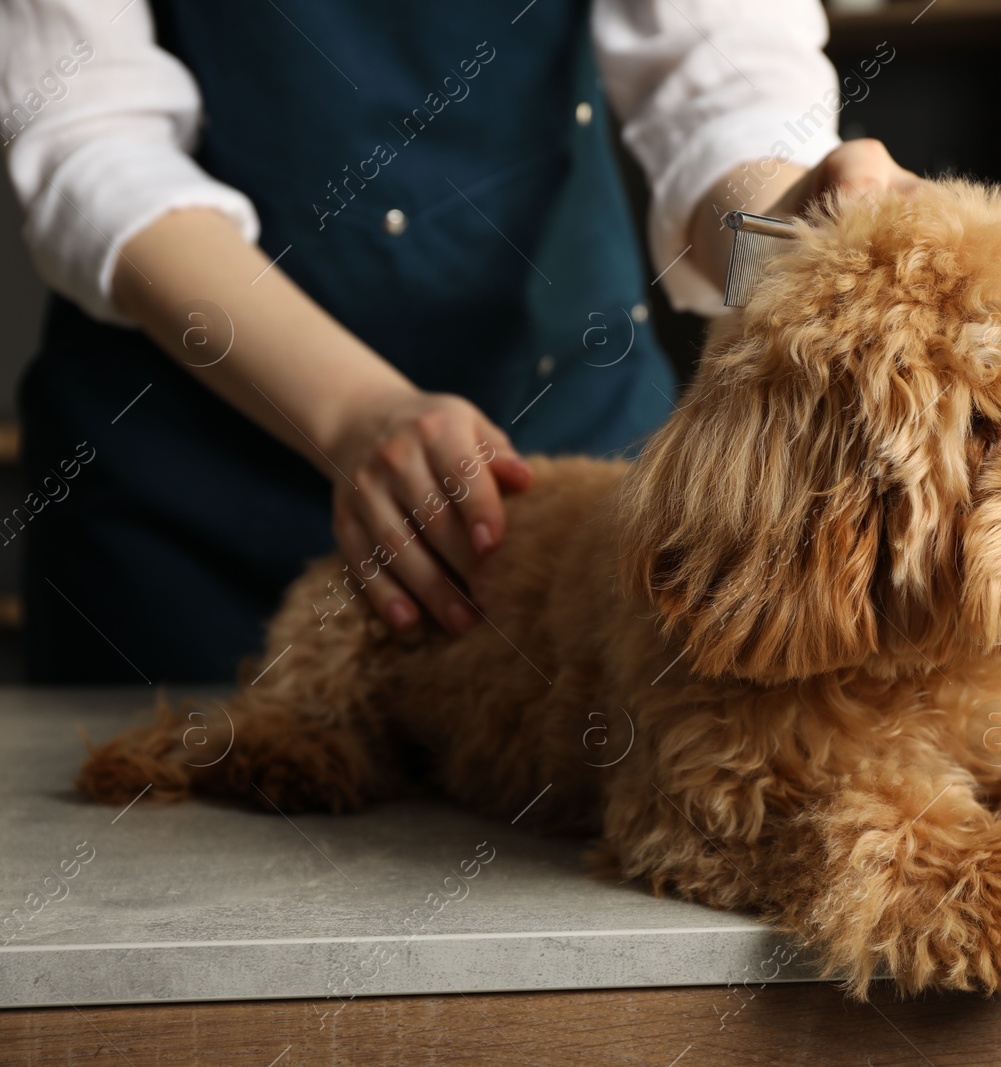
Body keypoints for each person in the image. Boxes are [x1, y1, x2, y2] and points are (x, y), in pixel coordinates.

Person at [1, 0, 919, 683]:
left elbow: (718, 73)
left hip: (565, 462)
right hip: (183, 508)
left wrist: (791, 227)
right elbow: (90, 141)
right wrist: (359, 411)